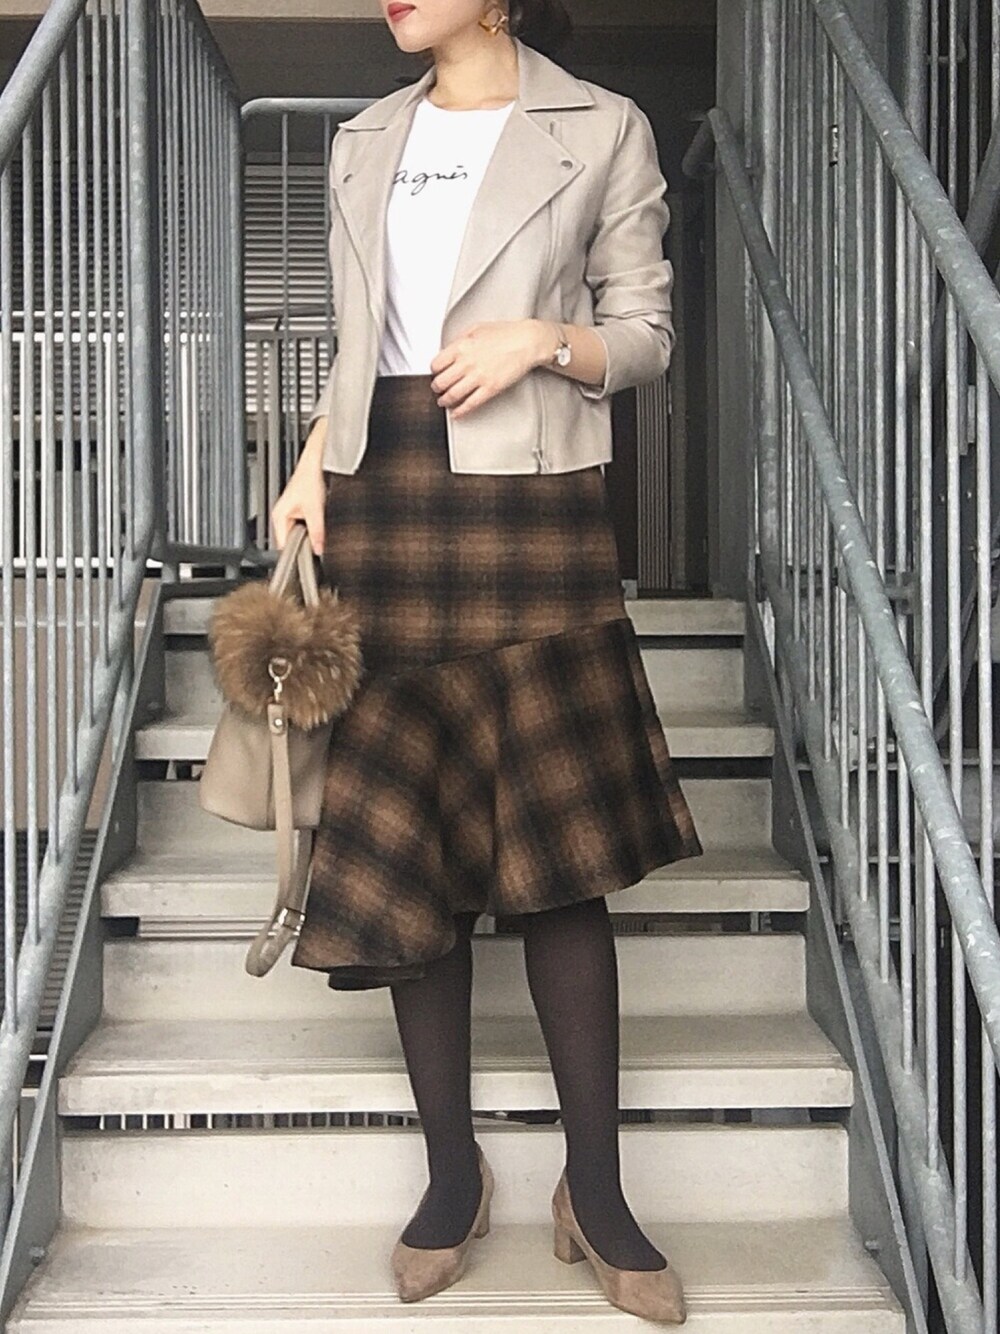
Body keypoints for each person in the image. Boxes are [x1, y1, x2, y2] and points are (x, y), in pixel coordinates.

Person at [271, 1, 702, 1322]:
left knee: (560, 861)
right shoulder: (363, 139)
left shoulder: (602, 126)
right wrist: (310, 465)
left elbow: (647, 332)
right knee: (413, 847)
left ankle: (597, 1188)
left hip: (533, 504)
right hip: (386, 499)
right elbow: (359, 341)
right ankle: (452, 1175)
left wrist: (540, 342)